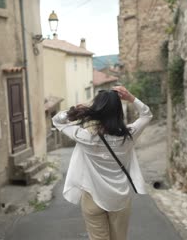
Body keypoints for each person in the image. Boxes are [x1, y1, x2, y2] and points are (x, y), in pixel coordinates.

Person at [52, 86, 153, 240]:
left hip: (92, 198)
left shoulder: (85, 137)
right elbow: (146, 115)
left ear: (97, 111)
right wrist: (131, 97)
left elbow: (57, 121)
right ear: (118, 111)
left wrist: (86, 109)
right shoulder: (128, 135)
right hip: (120, 199)